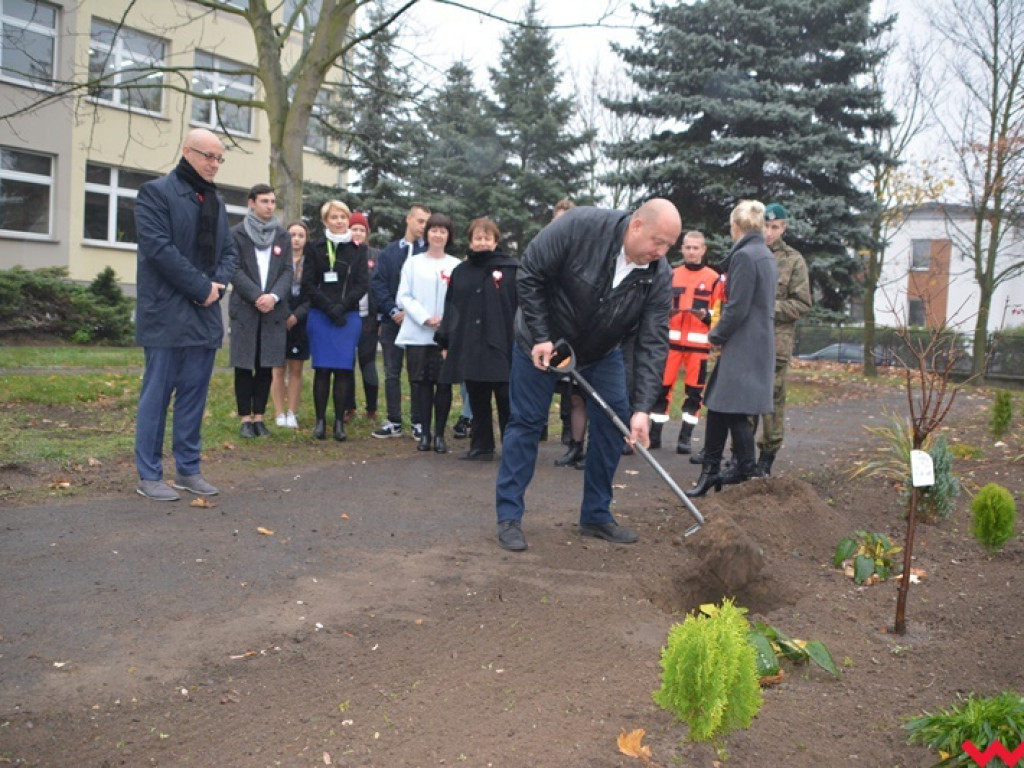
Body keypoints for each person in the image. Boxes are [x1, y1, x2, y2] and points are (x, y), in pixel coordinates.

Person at [494, 200, 679, 552]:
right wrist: (541, 336)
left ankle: (595, 516)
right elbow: (530, 272)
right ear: (636, 226)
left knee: (614, 424)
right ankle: (509, 517)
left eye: (669, 245)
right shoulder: (580, 226)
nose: (661, 252)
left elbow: (653, 341)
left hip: (600, 351)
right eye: (658, 241)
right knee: (527, 422)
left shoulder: (657, 273)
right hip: (541, 340)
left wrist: (642, 408)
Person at [133, 128, 237, 501]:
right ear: (186, 152)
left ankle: (188, 470)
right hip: (165, 314)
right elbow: (159, 250)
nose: (213, 164)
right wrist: (202, 287)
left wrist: (217, 286)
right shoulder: (155, 193)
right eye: (207, 156)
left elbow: (229, 253)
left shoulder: (216, 201)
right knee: (157, 397)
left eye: (218, 158)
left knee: (193, 397)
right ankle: (149, 475)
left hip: (204, 315)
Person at [686, 200, 777, 497]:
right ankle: (724, 469)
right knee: (723, 406)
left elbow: (737, 307)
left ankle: (740, 469)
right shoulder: (764, 253)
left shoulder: (745, 257)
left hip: (743, 342)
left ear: (735, 226)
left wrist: (715, 335)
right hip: (755, 341)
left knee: (730, 408)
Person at [435, 217, 519, 461]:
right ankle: (481, 446)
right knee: (477, 394)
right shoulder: (461, 272)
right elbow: (451, 307)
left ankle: (513, 447)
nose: (482, 242)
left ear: (495, 241)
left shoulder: (511, 269)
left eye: (487, 238)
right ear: (470, 241)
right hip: (471, 343)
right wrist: (446, 342)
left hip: (502, 341)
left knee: (506, 398)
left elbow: (520, 306)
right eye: (478, 238)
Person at [302, 200, 369, 441]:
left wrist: (342, 306)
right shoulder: (315, 247)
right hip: (321, 315)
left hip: (347, 316)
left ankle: (339, 422)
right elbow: (308, 283)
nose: (339, 221)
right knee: (322, 369)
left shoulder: (358, 248)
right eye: (334, 217)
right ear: (325, 221)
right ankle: (320, 422)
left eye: (343, 217)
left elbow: (362, 283)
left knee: (343, 370)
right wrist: (329, 307)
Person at [650, 231, 723, 453]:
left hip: (698, 348)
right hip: (670, 344)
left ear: (703, 250)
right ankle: (654, 436)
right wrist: (667, 315)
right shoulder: (671, 274)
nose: (691, 252)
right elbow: (658, 307)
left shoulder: (713, 279)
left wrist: (707, 318)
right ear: (681, 248)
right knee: (661, 390)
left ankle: (685, 438)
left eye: (695, 248)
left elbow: (719, 314)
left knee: (694, 393)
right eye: (687, 247)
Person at [229, 184, 292, 438]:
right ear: (251, 203)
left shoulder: (282, 236)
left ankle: (260, 418)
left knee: (266, 365)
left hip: (273, 310)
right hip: (246, 307)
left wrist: (273, 296)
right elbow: (233, 269)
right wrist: (258, 296)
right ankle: (245, 418)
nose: (269, 206)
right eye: (264, 201)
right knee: (244, 364)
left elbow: (287, 271)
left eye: (273, 201)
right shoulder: (236, 234)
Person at [395, 213, 461, 453]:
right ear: (427, 233)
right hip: (418, 333)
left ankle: (441, 434)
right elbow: (404, 295)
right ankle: (424, 434)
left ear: (448, 236)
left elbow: (460, 300)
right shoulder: (413, 263)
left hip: (446, 335)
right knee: (421, 384)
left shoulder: (456, 265)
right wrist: (425, 317)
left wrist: (445, 321)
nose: (438, 235)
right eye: (434, 230)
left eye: (443, 231)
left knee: (443, 385)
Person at [757, 203, 812, 476]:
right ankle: (739, 456)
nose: (768, 232)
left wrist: (767, 307)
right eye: (765, 226)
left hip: (775, 341)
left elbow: (801, 304)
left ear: (784, 228)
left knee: (772, 399)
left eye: (774, 227)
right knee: (741, 397)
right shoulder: (748, 253)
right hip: (747, 340)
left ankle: (766, 456)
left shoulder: (793, 260)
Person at [370, 204, 430, 439]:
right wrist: (393, 310)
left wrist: (414, 314)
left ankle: (418, 420)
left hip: (417, 324)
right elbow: (378, 284)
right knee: (391, 372)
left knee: (417, 373)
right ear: (408, 219)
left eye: (427, 222)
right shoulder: (389, 252)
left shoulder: (428, 255)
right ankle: (394, 420)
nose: (423, 226)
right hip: (391, 321)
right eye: (420, 221)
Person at [270, 220, 311, 429]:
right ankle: (278, 412)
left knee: (296, 368)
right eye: (292, 234)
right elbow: (273, 287)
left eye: (300, 235)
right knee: (277, 368)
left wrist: (297, 315)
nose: (296, 239)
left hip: (301, 320)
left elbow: (312, 293)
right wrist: (285, 313)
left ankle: (292, 412)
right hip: (279, 317)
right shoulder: (277, 260)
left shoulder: (311, 262)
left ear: (306, 239)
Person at [344, 211, 380, 423]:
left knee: (368, 364)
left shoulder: (376, 256)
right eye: (354, 229)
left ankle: (372, 408)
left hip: (369, 319)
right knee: (347, 364)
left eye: (361, 230)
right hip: (348, 317)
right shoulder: (342, 254)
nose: (357, 233)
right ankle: (349, 407)